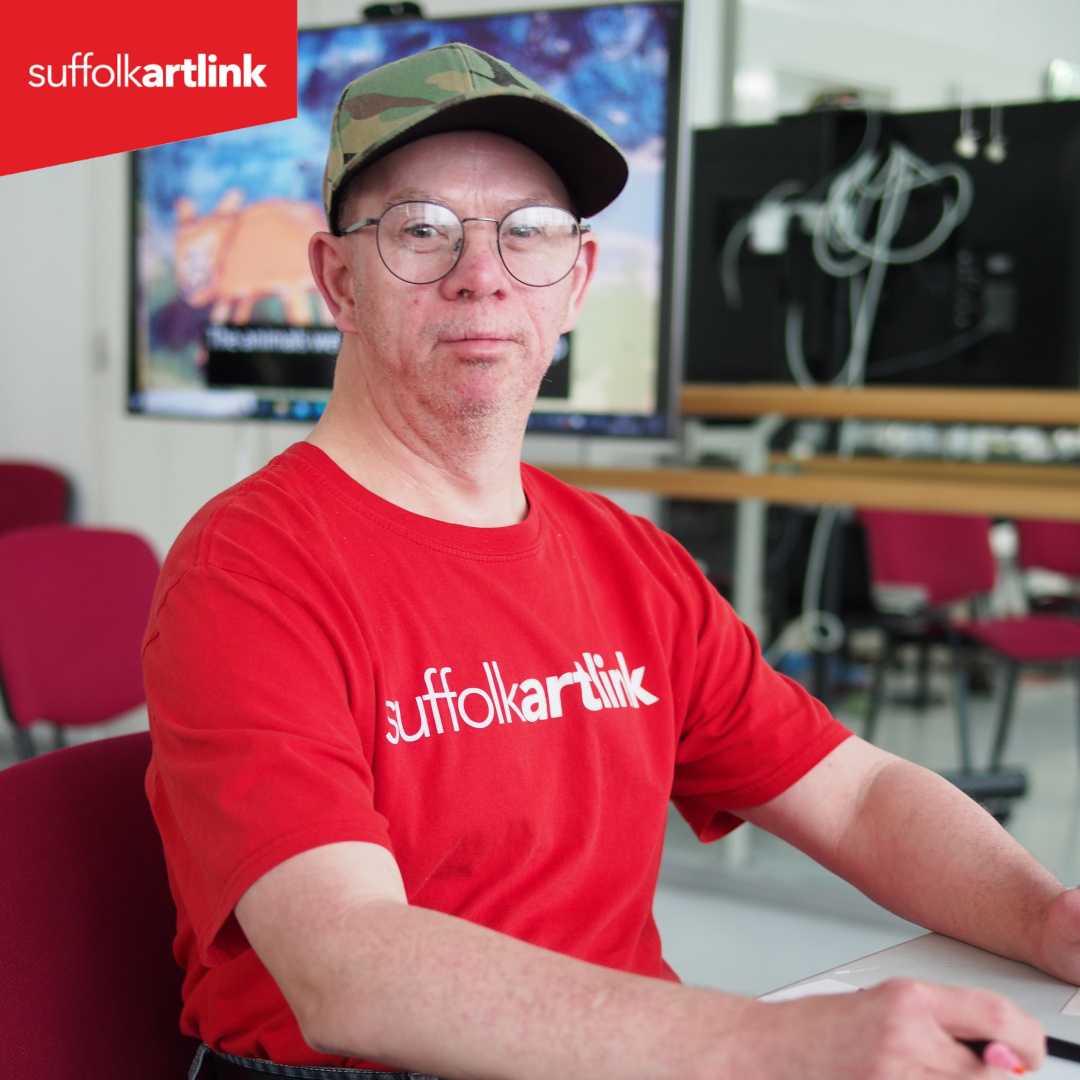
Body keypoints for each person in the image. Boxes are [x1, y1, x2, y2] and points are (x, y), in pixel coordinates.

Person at [144, 43, 1080, 1080]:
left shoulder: (631, 560)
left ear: (578, 279)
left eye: (530, 232)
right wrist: (774, 1046)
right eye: (420, 230)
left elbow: (850, 793)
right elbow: (348, 966)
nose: (481, 273)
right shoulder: (248, 571)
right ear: (337, 280)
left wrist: (1047, 920)